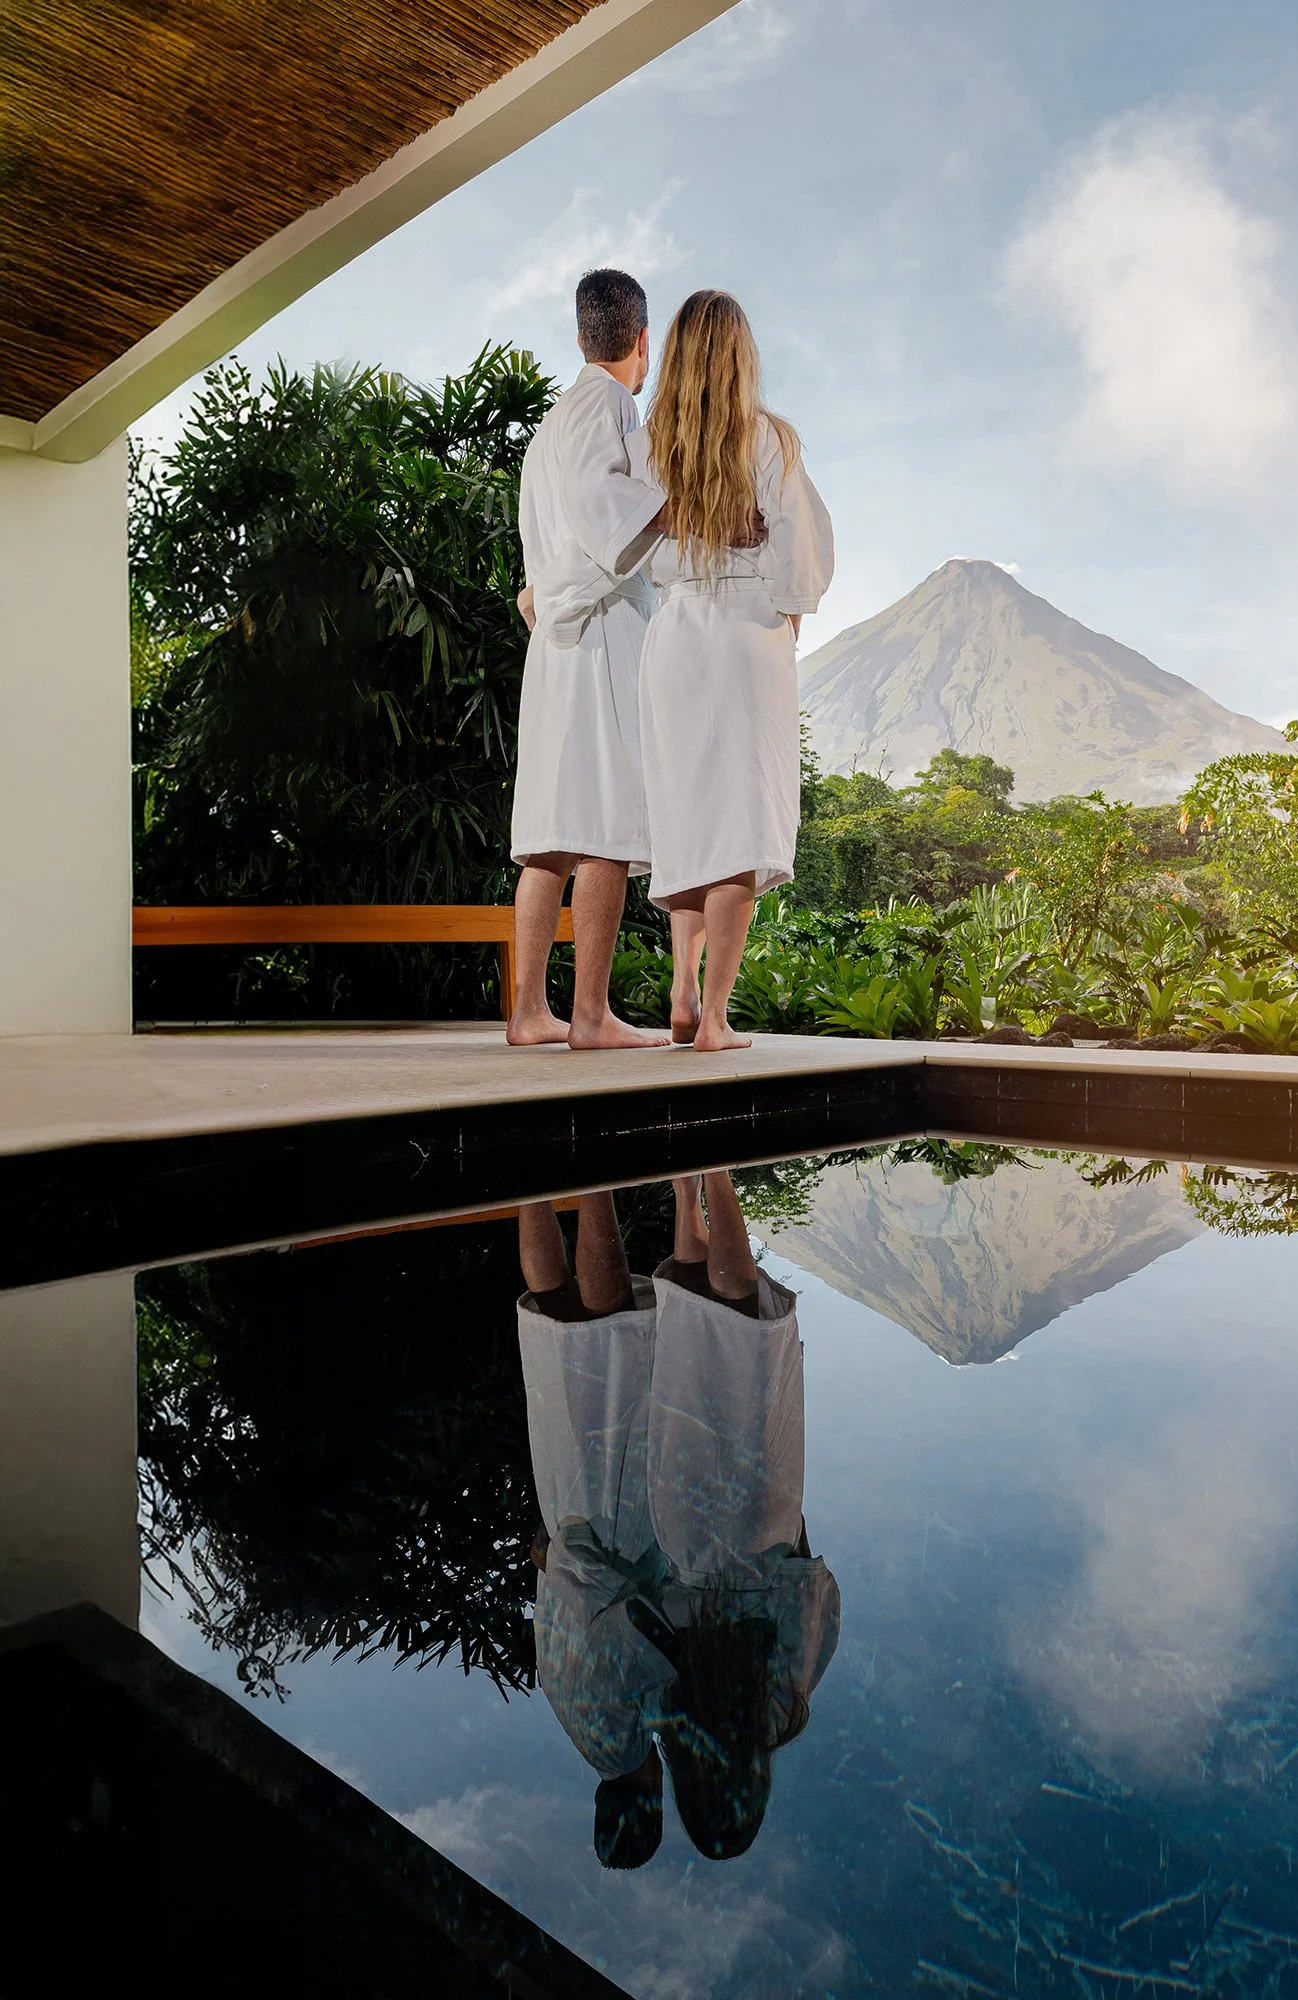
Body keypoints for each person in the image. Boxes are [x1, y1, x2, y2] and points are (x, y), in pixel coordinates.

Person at [630, 291, 835, 1052]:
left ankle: (681, 991)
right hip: (748, 635)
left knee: (689, 818)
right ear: (744, 355)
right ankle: (714, 1017)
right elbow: (800, 555)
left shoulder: (649, 444)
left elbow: (624, 543)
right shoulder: (770, 439)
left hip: (675, 635)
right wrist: (789, 613)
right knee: (741, 829)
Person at [634, 1172, 840, 1858]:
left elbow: (811, 1591)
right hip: (684, 1525)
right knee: (695, 1344)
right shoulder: (665, 1713)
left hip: (759, 1524)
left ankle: (716, 1173)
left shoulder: (782, 1711)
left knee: (746, 1332)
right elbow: (640, 1604)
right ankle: (683, 1190)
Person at [506, 267, 672, 1050]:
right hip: (599, 632)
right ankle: (591, 1015)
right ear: (643, 340)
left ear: (580, 337)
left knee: (552, 829)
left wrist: (540, 593)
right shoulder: (610, 404)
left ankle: (528, 1011)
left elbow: (552, 540)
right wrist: (681, 502)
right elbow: (607, 523)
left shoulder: (550, 425)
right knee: (606, 820)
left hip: (554, 644)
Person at [516, 1190, 670, 1868]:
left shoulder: (623, 1735)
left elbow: (624, 1625)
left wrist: (691, 1645)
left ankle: (594, 1181)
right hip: (564, 1521)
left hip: (610, 1530)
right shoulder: (575, 1725)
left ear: (652, 1799)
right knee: (554, 1328)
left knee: (610, 1344)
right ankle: (531, 1183)